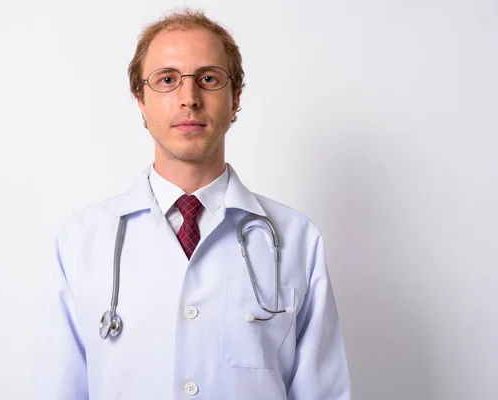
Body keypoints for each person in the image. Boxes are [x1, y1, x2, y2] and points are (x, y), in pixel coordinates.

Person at [32, 8, 351, 400]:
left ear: (235, 99)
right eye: (167, 79)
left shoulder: (297, 238)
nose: (189, 98)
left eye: (208, 79)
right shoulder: (81, 240)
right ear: (141, 101)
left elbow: (324, 392)